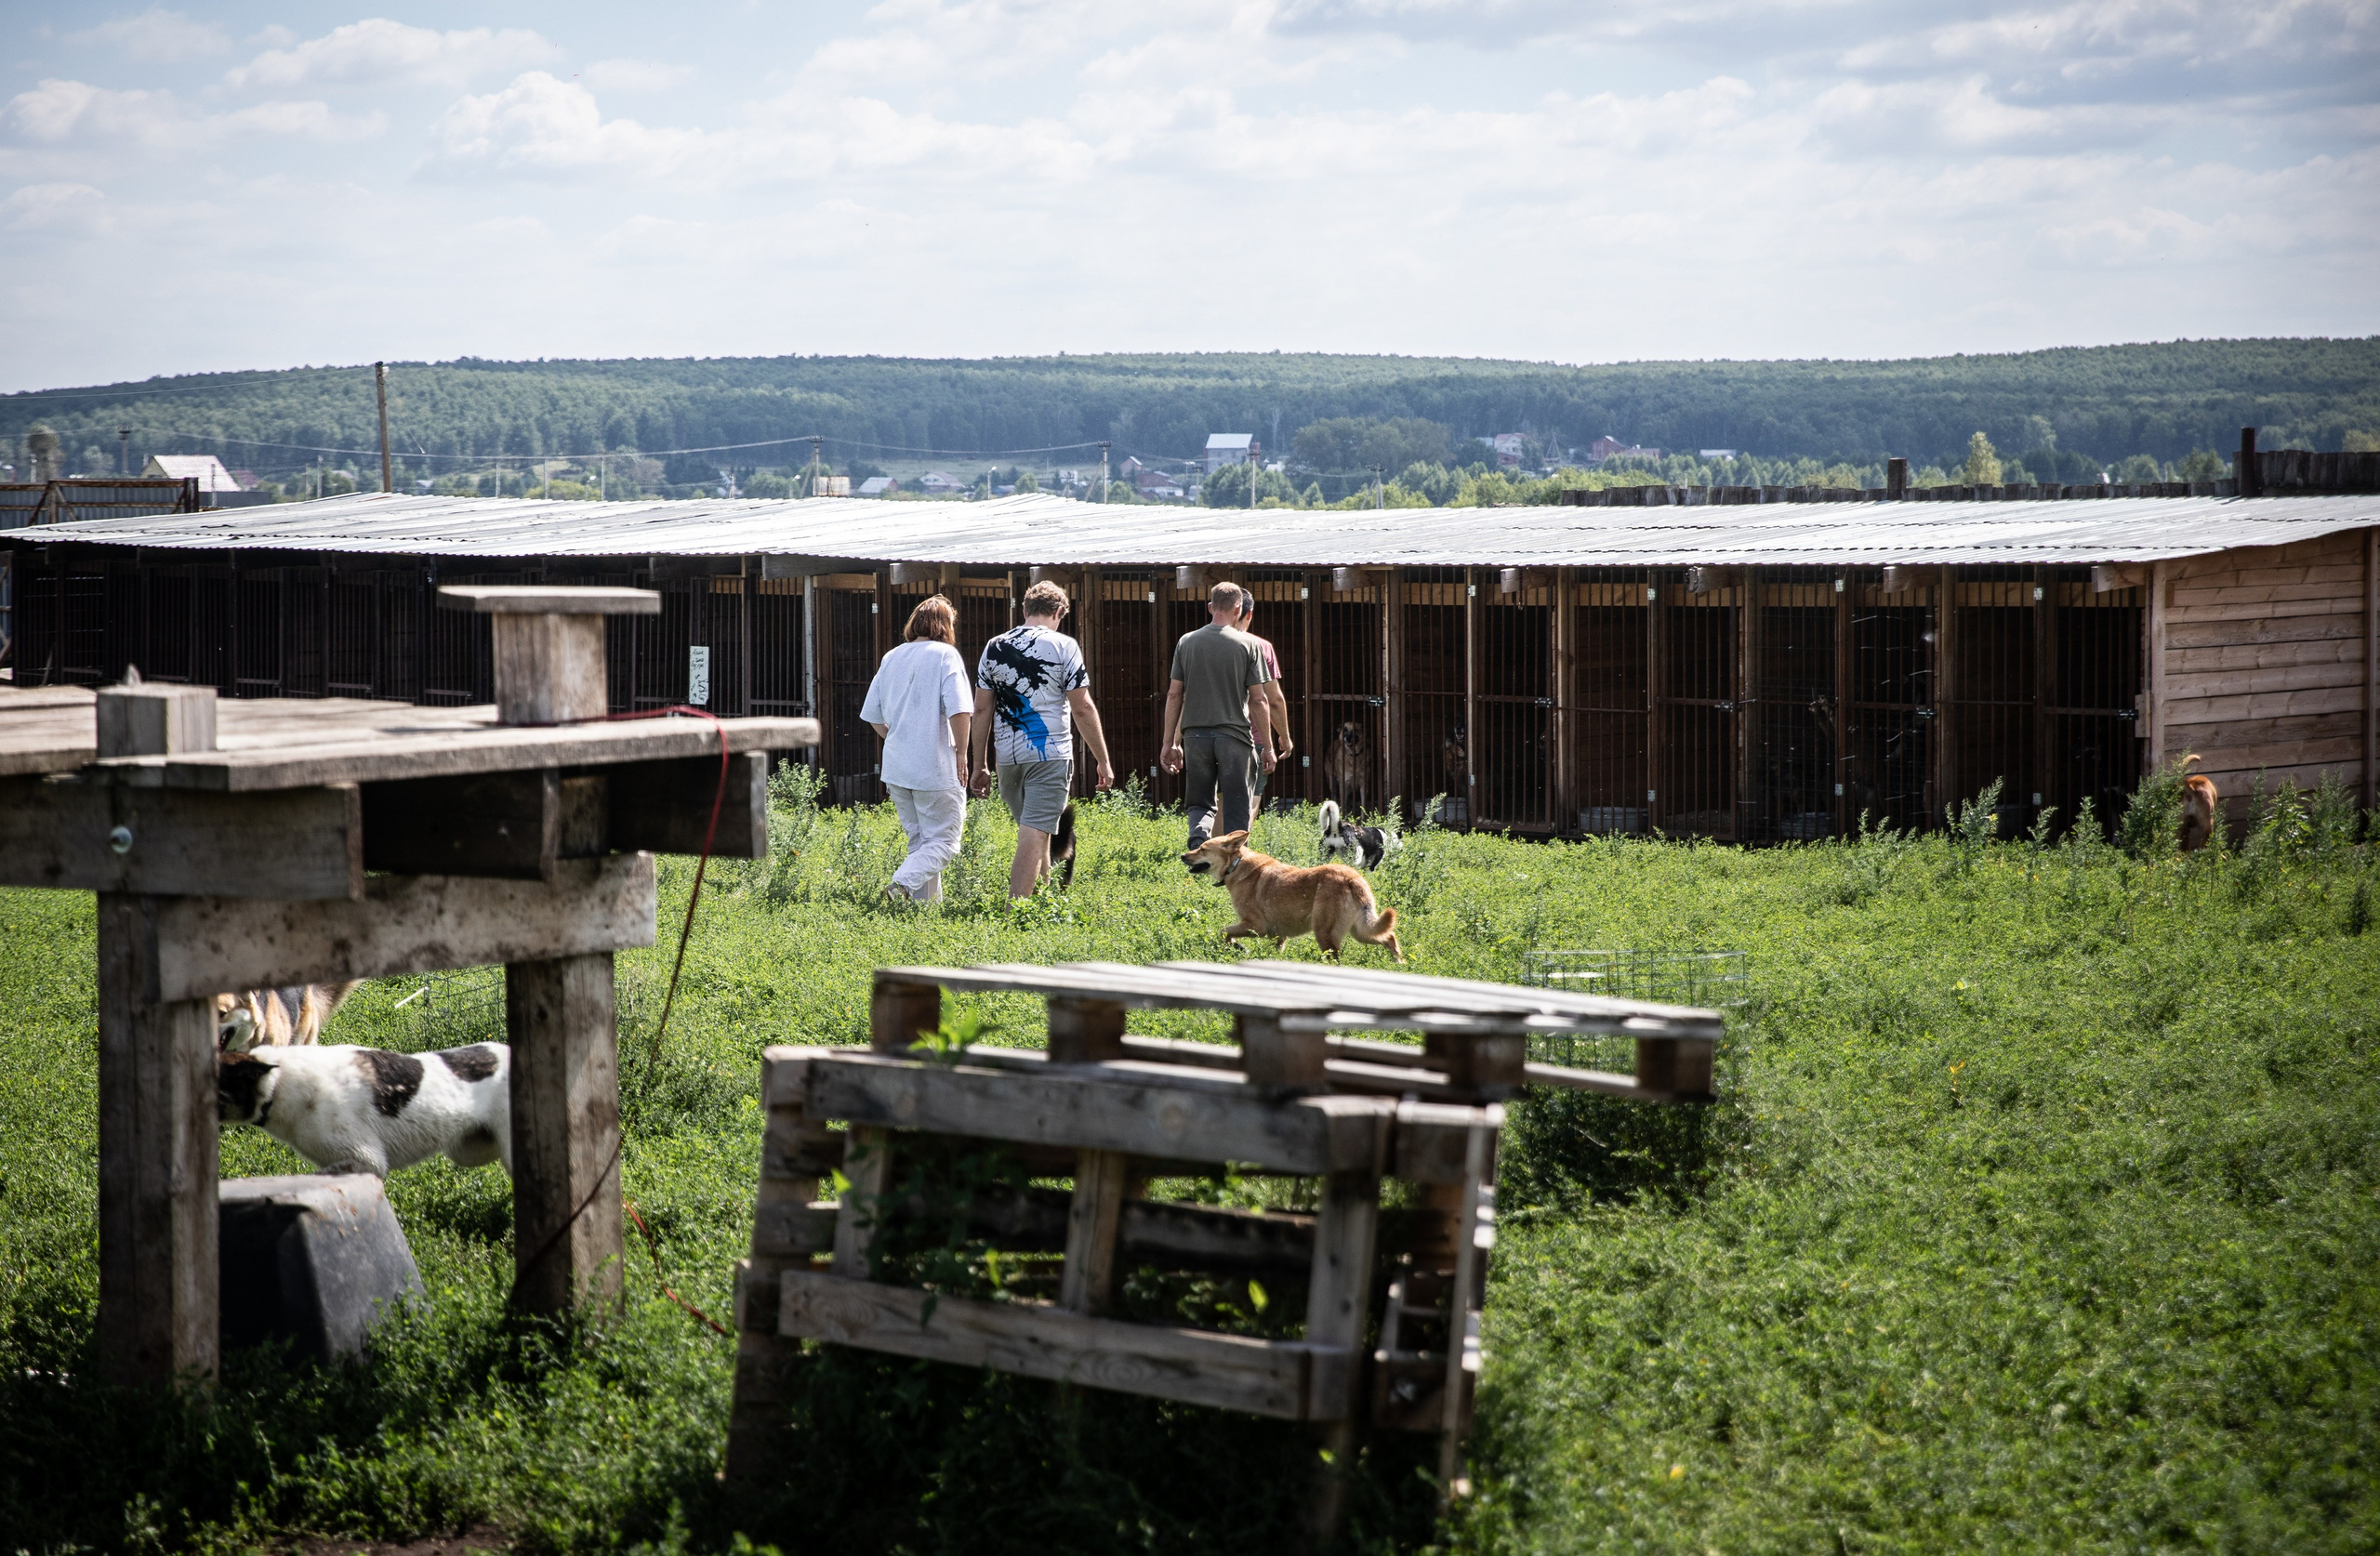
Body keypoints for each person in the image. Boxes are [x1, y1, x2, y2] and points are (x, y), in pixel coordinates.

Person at [970, 579, 1115, 898]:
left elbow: (980, 710)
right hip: (1049, 755)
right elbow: (1082, 707)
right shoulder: (1064, 645)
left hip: (1007, 758)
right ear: (1059, 612)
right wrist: (1102, 760)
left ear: (1024, 610)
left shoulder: (994, 646)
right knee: (1034, 835)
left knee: (1040, 831)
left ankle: (1045, 903)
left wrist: (979, 764)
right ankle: (1015, 911)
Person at [860, 595, 973, 902]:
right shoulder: (946, 655)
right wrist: (962, 753)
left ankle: (924, 912)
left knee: (921, 843)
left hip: (897, 767)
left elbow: (872, 715)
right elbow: (960, 710)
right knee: (945, 843)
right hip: (934, 766)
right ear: (945, 626)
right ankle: (900, 885)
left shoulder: (891, 657)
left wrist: (897, 738)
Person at [1160, 580, 1276, 848]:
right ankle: (1233, 860)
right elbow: (1259, 699)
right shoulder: (1249, 644)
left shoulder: (1186, 642)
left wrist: (1170, 743)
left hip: (1195, 737)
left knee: (1200, 802)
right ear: (1238, 609)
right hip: (1234, 738)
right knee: (1237, 804)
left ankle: (1199, 842)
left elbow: (1175, 695)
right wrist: (1269, 747)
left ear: (1210, 607)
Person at [1234, 591, 1293, 816]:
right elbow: (1273, 700)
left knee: (1218, 801)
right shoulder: (1261, 646)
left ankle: (1216, 840)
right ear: (1249, 613)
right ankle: (1240, 839)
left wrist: (1174, 740)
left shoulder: (1200, 643)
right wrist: (1284, 738)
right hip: (1252, 738)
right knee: (1250, 801)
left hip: (1211, 737)